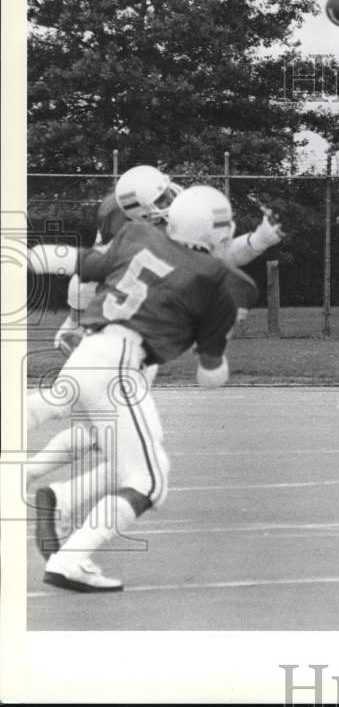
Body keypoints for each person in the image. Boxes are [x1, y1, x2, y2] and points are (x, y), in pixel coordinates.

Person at [26, 185, 255, 592]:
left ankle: (61, 500)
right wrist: (223, 329)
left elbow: (80, 262)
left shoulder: (138, 235)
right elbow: (210, 376)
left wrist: (28, 258)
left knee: (90, 430)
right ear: (215, 231)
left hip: (91, 349)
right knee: (151, 481)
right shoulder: (218, 281)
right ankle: (71, 559)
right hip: (122, 368)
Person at [26, 164, 278, 486]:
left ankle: (28, 477)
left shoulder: (139, 228)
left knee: (90, 424)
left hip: (116, 337)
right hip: (129, 340)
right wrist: (76, 321)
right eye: (163, 193)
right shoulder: (159, 233)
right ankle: (49, 486)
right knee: (114, 433)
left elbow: (88, 270)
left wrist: (74, 320)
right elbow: (222, 258)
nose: (173, 193)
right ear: (146, 209)